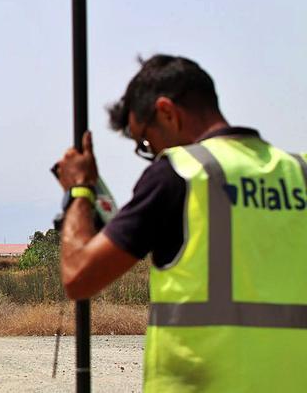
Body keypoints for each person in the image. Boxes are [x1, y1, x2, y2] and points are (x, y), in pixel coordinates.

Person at [53, 54, 307, 392]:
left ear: (167, 113)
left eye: (144, 142)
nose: (149, 152)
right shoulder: (299, 174)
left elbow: (79, 277)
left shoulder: (180, 173)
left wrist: (80, 188)